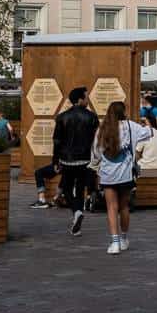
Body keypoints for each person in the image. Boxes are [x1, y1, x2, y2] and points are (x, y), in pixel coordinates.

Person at [91, 101, 151, 254]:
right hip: (126, 174)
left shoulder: (102, 129)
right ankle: (124, 239)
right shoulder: (131, 126)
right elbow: (149, 133)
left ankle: (115, 242)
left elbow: (96, 153)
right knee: (124, 207)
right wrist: (146, 122)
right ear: (123, 111)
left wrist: (95, 165)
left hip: (108, 174)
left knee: (111, 207)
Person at [52, 86, 99, 236]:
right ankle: (77, 213)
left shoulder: (62, 117)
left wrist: (55, 160)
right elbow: (96, 140)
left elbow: (57, 141)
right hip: (85, 160)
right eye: (86, 97)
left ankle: (76, 211)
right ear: (80, 99)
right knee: (80, 189)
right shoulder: (92, 117)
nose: (88, 100)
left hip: (67, 160)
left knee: (66, 188)